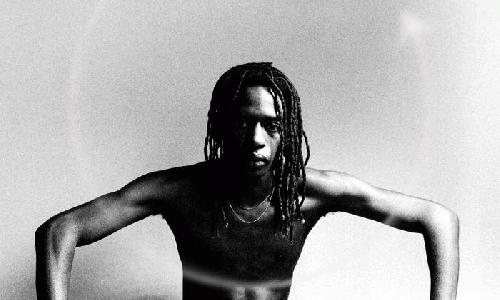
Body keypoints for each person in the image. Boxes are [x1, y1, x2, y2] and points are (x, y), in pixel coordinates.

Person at [36, 62, 459, 300]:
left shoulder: (308, 194)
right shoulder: (180, 191)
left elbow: (438, 219)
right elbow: (59, 231)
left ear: (286, 133)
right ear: (223, 127)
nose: (256, 139)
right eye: (243, 122)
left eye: (270, 126)